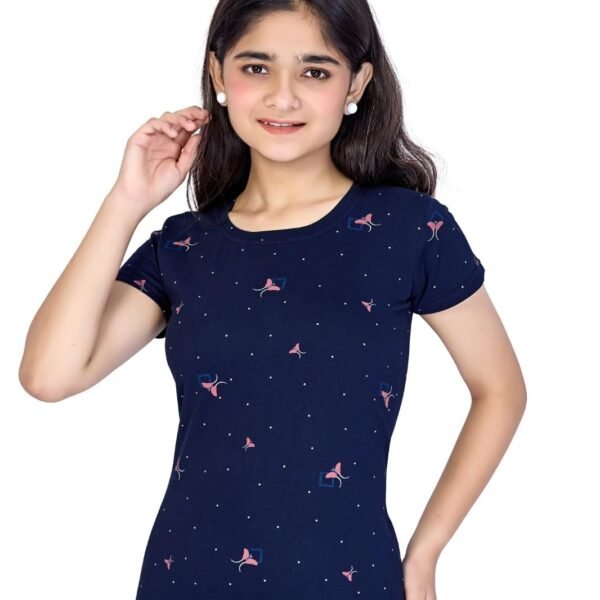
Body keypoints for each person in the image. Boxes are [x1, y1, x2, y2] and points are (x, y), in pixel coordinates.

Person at [18, 1, 527, 599]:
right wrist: (126, 201)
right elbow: (49, 376)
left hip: (347, 577)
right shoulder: (183, 248)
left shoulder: (409, 230)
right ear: (218, 73)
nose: (282, 97)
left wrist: (425, 552)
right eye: (256, 68)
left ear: (356, 83)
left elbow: (500, 389)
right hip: (188, 576)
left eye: (315, 71)